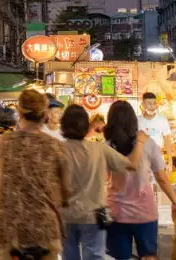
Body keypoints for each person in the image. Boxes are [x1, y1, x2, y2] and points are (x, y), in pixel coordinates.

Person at [0, 89, 68, 259]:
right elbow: (66, 187)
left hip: (6, 226)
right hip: (44, 228)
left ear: (19, 112)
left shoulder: (2, 142)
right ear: (45, 114)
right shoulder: (56, 145)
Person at [61, 105, 141, 260]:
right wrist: (141, 142)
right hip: (94, 215)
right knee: (95, 255)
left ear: (63, 126)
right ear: (86, 125)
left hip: (65, 214)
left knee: (69, 256)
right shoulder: (99, 149)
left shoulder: (58, 149)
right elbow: (132, 165)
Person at [104, 100, 176, 260]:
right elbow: (162, 178)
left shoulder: (106, 146)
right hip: (144, 212)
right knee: (148, 257)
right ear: (134, 120)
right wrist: (175, 201)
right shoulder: (148, 143)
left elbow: (102, 179)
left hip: (116, 212)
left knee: (118, 258)